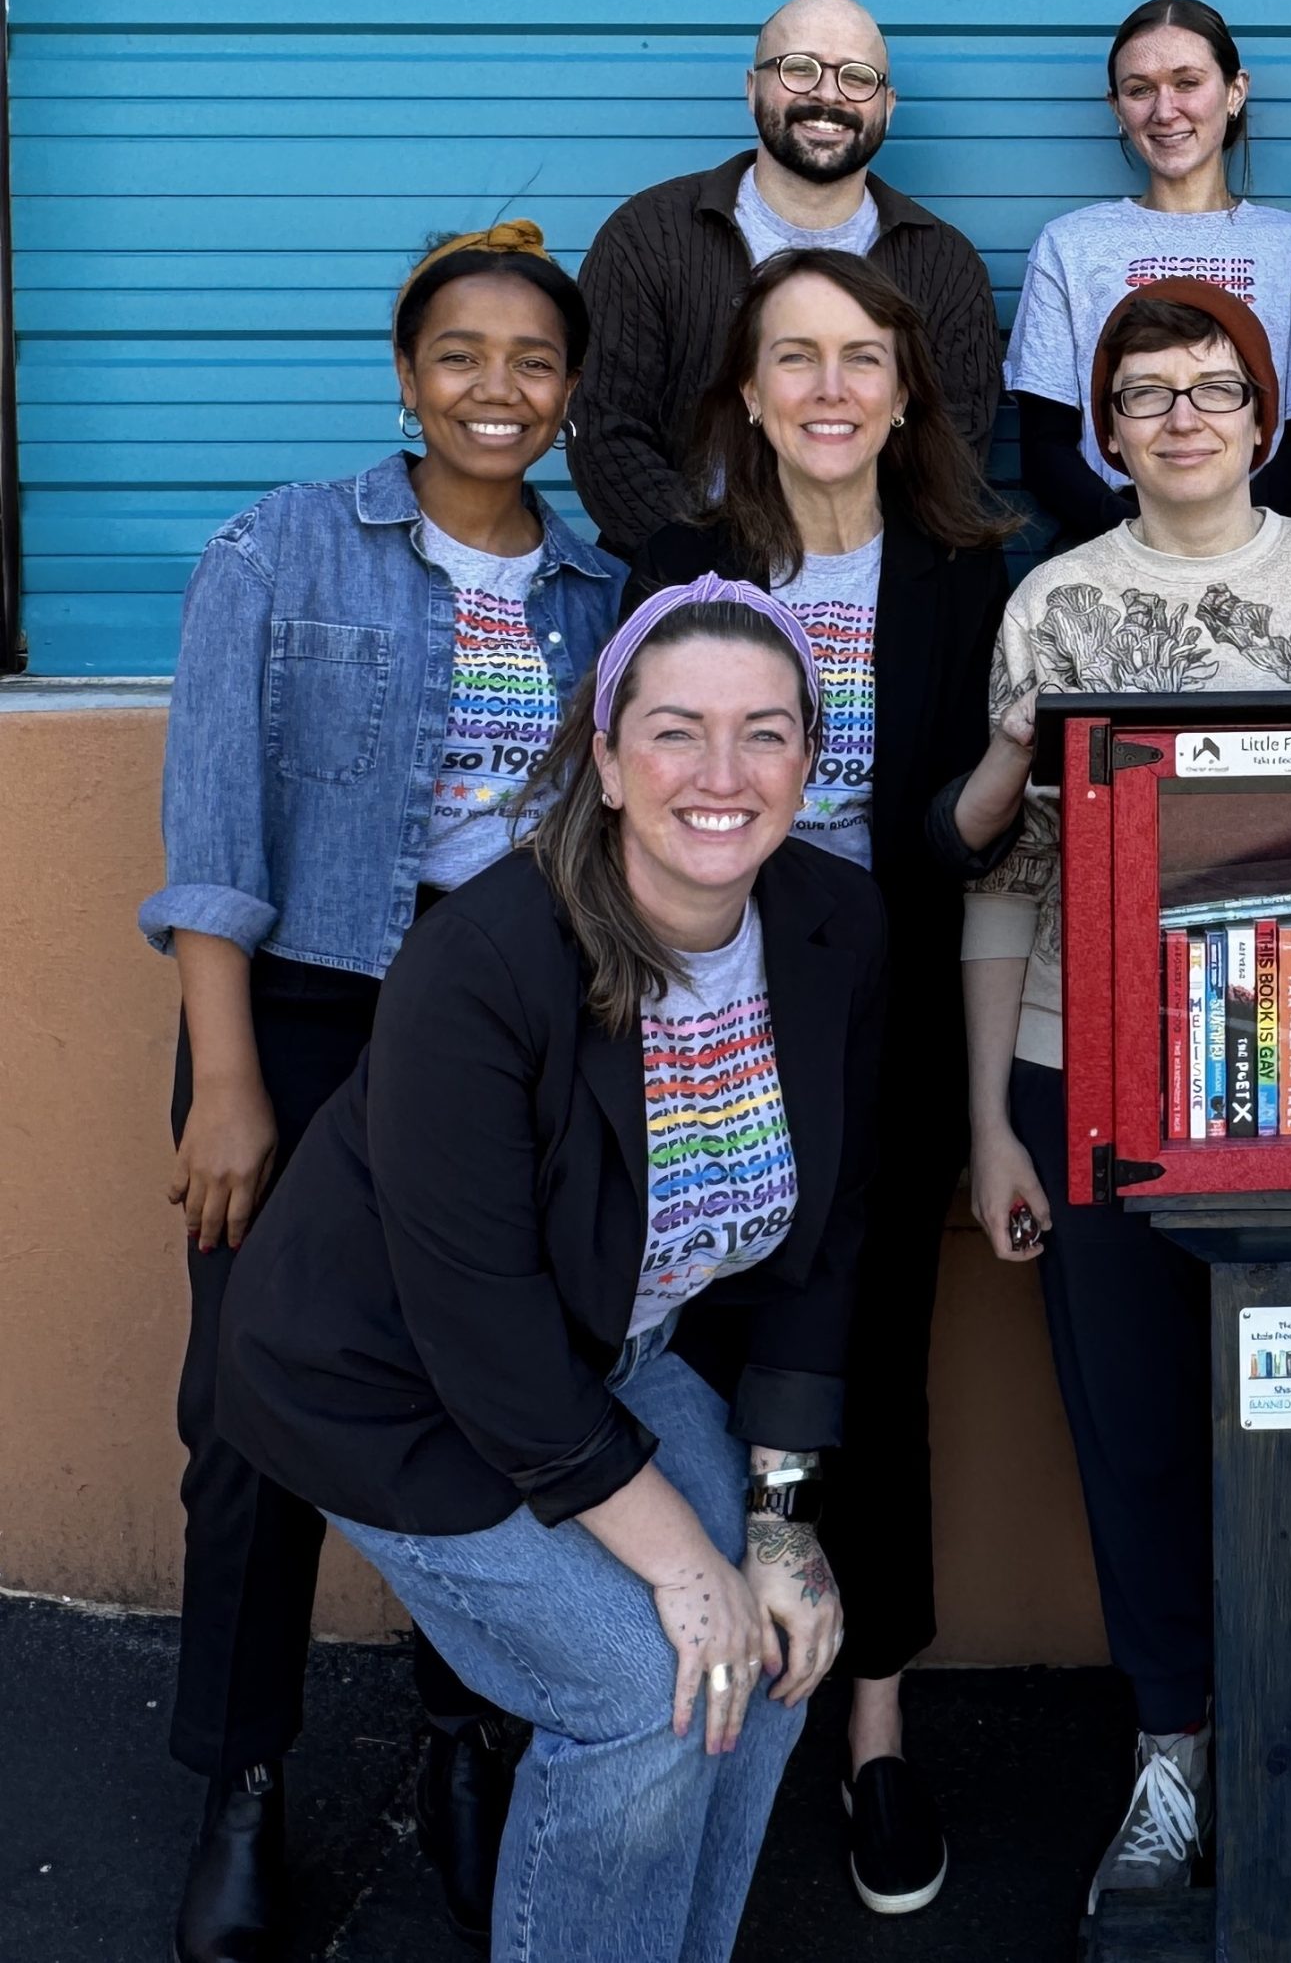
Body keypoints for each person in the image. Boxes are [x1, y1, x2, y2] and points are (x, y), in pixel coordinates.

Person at [215, 579, 886, 1963]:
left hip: (599, 1357)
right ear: (604, 751)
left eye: (765, 734)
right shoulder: (488, 958)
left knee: (773, 1644)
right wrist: (679, 1565)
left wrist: (774, 1518)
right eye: (676, 730)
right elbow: (479, 1322)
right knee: (650, 1684)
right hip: (390, 1381)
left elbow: (829, 1241)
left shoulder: (833, 927)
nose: (720, 774)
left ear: (810, 760)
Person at [138, 222, 623, 1962]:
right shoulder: (282, 543)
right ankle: (243, 1776)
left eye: (534, 362)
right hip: (306, 1010)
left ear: (572, 395)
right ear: (407, 374)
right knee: (247, 1402)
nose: (499, 389)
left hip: (498, 1035)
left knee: (491, 1389)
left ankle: (462, 1738)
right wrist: (228, 1077)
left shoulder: (602, 597)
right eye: (462, 355)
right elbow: (212, 833)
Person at [959, 279, 1291, 1911]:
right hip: (1093, 1069)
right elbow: (1003, 878)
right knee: (1134, 1424)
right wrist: (994, 1118)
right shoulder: (1057, 606)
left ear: (1267, 414)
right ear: (1105, 426)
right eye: (1147, 392)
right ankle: (1176, 1749)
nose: (1184, 415)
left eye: (1216, 386)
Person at [624, 246, 1027, 1916]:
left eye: (863, 354)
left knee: (871, 1355)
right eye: (793, 357)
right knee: (691, 1342)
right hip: (701, 1005)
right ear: (744, 392)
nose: (831, 387)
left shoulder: (970, 569)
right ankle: (701, 1685)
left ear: (910, 384)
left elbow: (976, 836)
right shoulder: (681, 563)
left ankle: (873, 1726)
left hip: (894, 1012)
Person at [570, 0, 1002, 556]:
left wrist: (849, 572)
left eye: (856, 77)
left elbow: (954, 453)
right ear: (752, 88)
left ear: (888, 105)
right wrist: (714, 570)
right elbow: (605, 434)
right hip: (676, 593)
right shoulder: (648, 236)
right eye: (798, 69)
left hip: (871, 595)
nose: (827, 94)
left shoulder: (944, 265)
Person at [1006, 0, 1291, 544]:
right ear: (1116, 107)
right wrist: (1143, 542)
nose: (1164, 110)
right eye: (1140, 90)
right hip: (1110, 539)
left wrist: (1229, 540)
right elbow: (1045, 446)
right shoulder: (1070, 244)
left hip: (1262, 539)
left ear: (1235, 92)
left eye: (1187, 82)